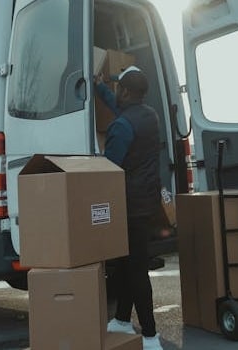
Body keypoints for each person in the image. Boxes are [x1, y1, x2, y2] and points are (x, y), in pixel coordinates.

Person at [96, 66, 163, 350]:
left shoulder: (121, 126)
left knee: (135, 270)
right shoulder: (150, 116)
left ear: (124, 90)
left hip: (128, 206)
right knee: (125, 266)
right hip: (146, 203)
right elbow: (121, 110)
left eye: (117, 89)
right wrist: (100, 87)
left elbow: (109, 168)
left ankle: (150, 335)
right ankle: (122, 319)